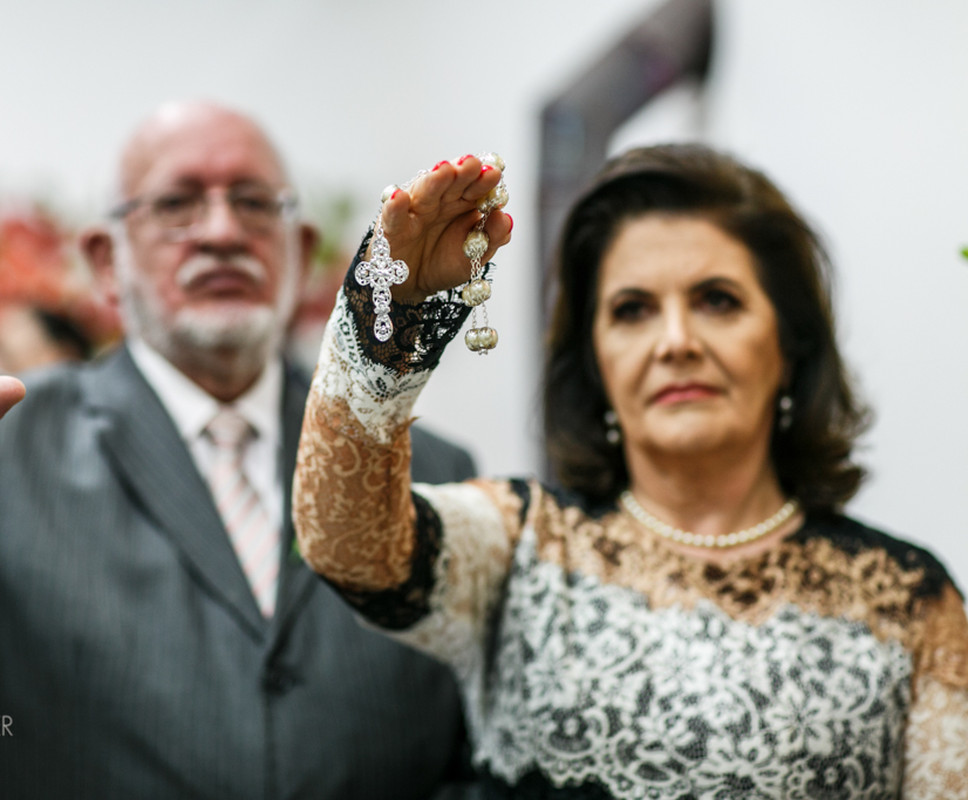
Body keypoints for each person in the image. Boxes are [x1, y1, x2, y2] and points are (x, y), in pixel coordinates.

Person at [0, 102, 481, 798]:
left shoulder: (435, 471)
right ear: (106, 262)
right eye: (176, 204)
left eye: (256, 203)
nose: (222, 231)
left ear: (298, 252)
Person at [292, 145, 968, 798]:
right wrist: (391, 317)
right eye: (632, 310)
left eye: (718, 300)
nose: (675, 341)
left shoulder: (908, 601)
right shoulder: (524, 544)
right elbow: (346, 543)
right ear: (596, 362)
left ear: (790, 345)